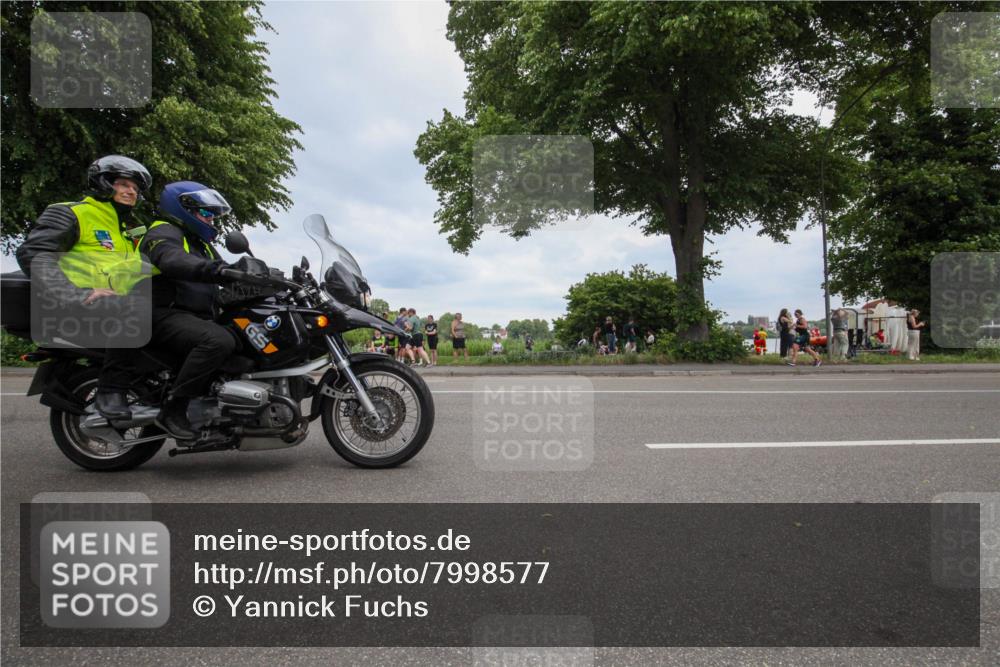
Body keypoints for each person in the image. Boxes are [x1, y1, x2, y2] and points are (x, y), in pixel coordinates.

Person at [15, 155, 153, 420]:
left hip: (115, 308)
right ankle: (110, 392)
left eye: (135, 188)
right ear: (103, 183)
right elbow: (35, 253)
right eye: (123, 184)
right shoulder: (72, 212)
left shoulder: (124, 230)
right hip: (78, 305)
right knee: (138, 309)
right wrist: (74, 294)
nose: (130, 191)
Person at [138, 181, 239, 439]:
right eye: (206, 213)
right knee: (217, 341)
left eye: (213, 215)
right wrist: (216, 270)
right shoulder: (164, 231)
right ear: (183, 208)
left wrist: (263, 276)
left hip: (191, 315)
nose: (211, 220)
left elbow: (225, 271)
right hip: (162, 312)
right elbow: (170, 258)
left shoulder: (200, 244)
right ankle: (174, 408)